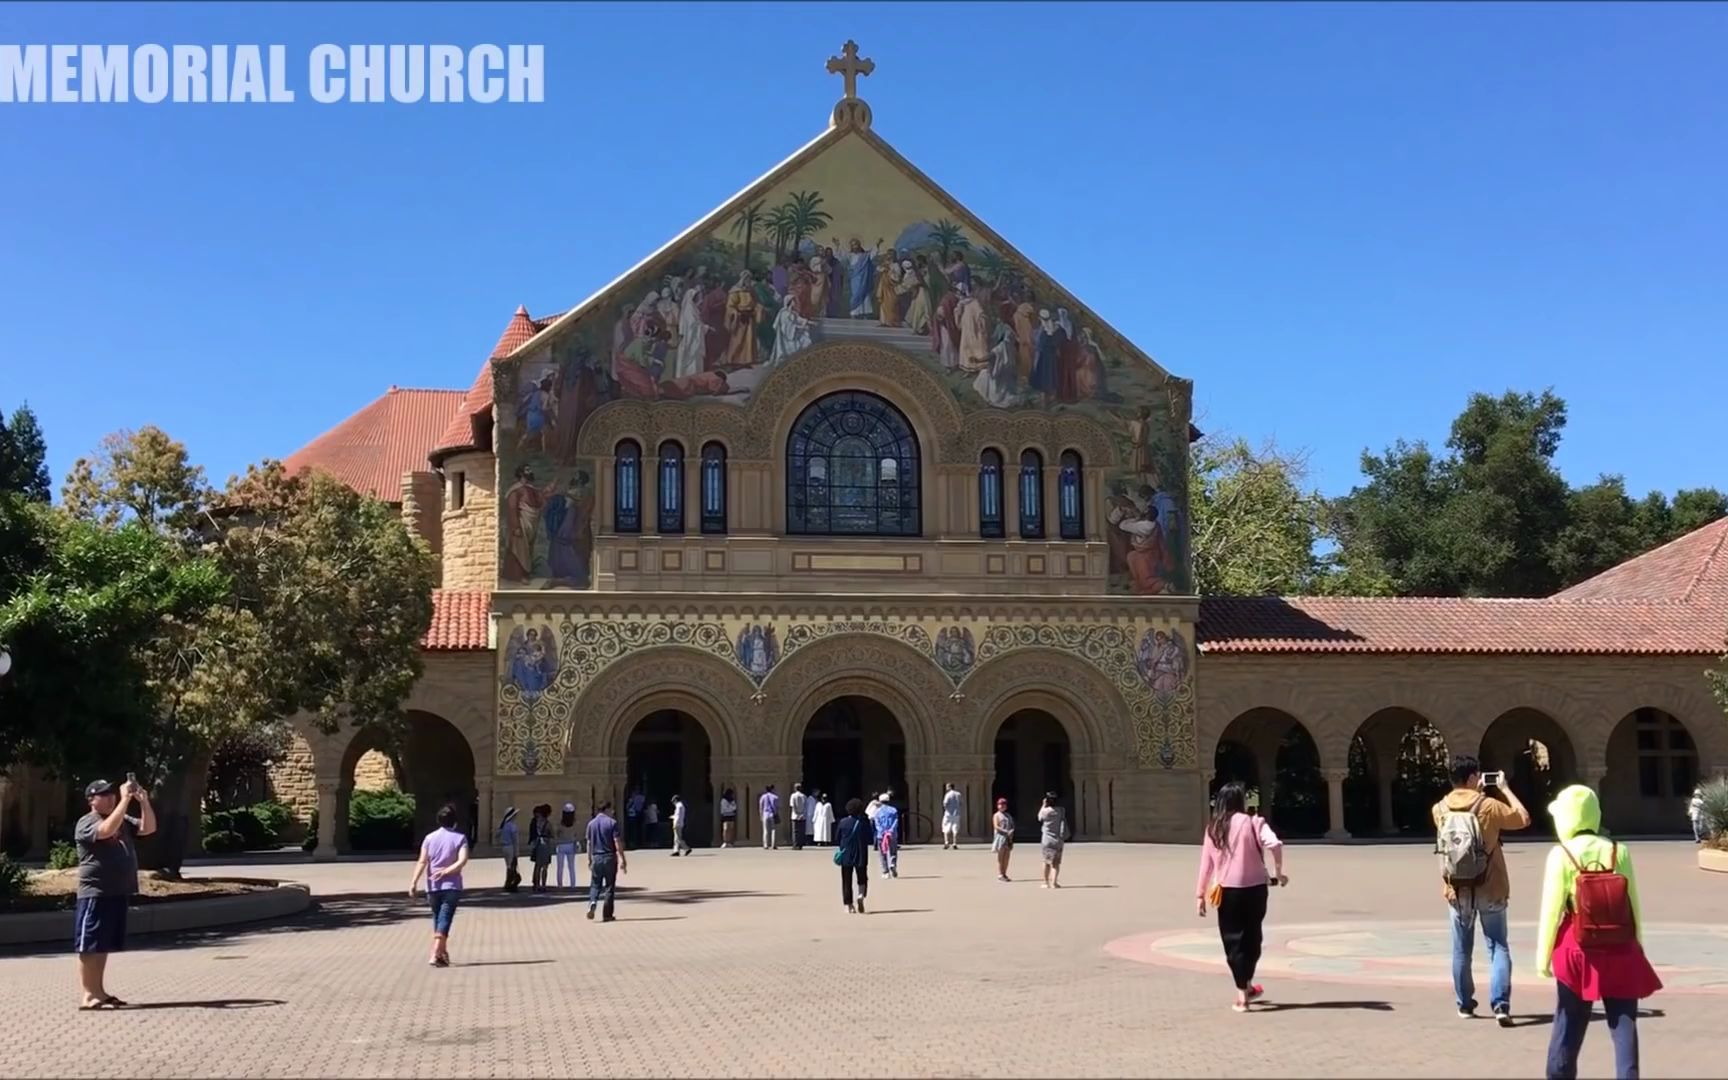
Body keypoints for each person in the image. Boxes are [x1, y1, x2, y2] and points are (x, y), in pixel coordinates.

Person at [1537, 784, 1661, 1079]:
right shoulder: (1619, 850)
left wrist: (1543, 959)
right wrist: (1638, 945)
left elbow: (1551, 911)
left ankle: (1559, 1074)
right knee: (1624, 1023)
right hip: (1620, 946)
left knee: (1569, 1021)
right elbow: (1633, 905)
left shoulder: (1561, 855)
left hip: (1577, 950)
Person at [1432, 754, 1531, 1025]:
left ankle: (1464, 1004)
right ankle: (1501, 1005)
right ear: (1474, 777)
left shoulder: (1439, 809)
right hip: (1491, 885)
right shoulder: (1489, 805)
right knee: (1497, 944)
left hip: (1457, 888)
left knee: (1461, 949)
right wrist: (1505, 789)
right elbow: (1523, 818)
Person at [1195, 782, 1286, 1013]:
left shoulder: (1213, 828)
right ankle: (1247, 986)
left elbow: (1206, 864)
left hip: (1227, 891)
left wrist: (1200, 895)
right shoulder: (1255, 822)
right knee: (1252, 938)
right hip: (1256, 889)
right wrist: (1278, 872)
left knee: (1233, 942)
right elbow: (1275, 844)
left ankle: (1242, 996)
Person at [73, 777, 155, 1009]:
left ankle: (99, 992)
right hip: (95, 893)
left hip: (117, 892)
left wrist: (144, 802)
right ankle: (89, 994)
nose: (110, 798)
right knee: (89, 945)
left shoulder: (122, 819)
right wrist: (126, 799)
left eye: (112, 794)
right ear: (91, 800)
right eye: (104, 795)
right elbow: (106, 831)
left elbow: (148, 828)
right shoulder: (86, 822)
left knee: (103, 944)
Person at [408, 804, 470, 967]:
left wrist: (414, 881)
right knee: (445, 918)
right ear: (455, 822)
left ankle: (442, 953)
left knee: (438, 918)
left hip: (432, 886)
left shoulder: (429, 838)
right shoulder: (460, 838)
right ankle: (435, 952)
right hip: (452, 885)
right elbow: (462, 861)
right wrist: (447, 871)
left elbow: (422, 861)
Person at [586, 800, 627, 922]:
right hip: (609, 856)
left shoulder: (591, 824)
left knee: (595, 884)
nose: (613, 811)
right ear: (607, 809)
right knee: (609, 886)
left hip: (596, 857)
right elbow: (616, 841)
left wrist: (589, 859)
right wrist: (622, 858)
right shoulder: (612, 823)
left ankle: (592, 901)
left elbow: (588, 843)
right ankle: (607, 914)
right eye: (611, 809)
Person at [835, 798, 875, 914]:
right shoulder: (864, 823)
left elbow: (837, 838)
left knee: (846, 880)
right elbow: (869, 837)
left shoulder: (843, 822)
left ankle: (849, 905)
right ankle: (861, 894)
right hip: (861, 854)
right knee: (862, 877)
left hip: (846, 854)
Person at [1038, 792, 1068, 888]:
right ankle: (1054, 882)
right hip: (1058, 839)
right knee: (1056, 863)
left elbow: (1039, 817)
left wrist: (1043, 805)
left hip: (1047, 840)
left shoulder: (1045, 811)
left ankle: (1046, 882)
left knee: (1046, 861)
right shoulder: (1061, 810)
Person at [554, 802, 581, 890]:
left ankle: (560, 885)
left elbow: (557, 834)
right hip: (570, 845)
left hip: (561, 845)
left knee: (560, 867)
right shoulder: (576, 823)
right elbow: (576, 835)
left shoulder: (560, 823)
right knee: (571, 867)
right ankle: (573, 885)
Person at [874, 791, 900, 879]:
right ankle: (893, 863)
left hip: (881, 835)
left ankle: (885, 871)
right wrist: (891, 830)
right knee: (893, 851)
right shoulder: (893, 810)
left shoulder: (877, 811)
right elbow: (896, 821)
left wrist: (882, 831)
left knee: (882, 853)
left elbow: (877, 824)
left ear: (880, 801)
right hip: (892, 834)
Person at [528, 804, 553, 892]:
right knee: (545, 867)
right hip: (545, 844)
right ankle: (543, 885)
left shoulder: (535, 822)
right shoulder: (547, 823)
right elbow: (551, 834)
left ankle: (536, 884)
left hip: (537, 844)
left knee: (537, 866)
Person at [991, 797, 1015, 882]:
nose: (1002, 806)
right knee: (1001, 857)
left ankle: (1004, 873)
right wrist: (1006, 831)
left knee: (1007, 857)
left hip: (1008, 838)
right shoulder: (996, 815)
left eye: (1003, 804)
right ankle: (1000, 874)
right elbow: (996, 826)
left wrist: (1011, 832)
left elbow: (1012, 825)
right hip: (1000, 838)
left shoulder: (1008, 816)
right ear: (997, 806)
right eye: (1000, 804)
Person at [498, 806, 521, 893]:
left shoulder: (504, 826)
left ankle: (508, 882)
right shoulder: (512, 826)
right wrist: (516, 852)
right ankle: (511, 883)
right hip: (510, 847)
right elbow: (515, 840)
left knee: (508, 866)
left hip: (504, 847)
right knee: (512, 865)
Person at [941, 783, 963, 850]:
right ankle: (954, 843)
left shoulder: (948, 794)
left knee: (946, 828)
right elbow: (961, 803)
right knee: (955, 828)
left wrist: (947, 809)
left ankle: (946, 843)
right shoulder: (958, 794)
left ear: (949, 787)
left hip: (948, 814)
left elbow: (945, 803)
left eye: (947, 787)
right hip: (956, 814)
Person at [759, 785, 780, 851]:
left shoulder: (763, 797)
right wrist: (776, 813)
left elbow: (760, 807)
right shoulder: (775, 797)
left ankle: (765, 845)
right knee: (773, 830)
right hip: (772, 814)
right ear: (772, 790)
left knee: (765, 830)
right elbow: (776, 807)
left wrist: (761, 815)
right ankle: (773, 844)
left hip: (765, 814)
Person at [789, 784, 808, 851]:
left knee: (795, 831)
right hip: (802, 816)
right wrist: (802, 814)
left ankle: (795, 845)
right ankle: (800, 845)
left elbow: (793, 806)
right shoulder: (804, 796)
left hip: (795, 816)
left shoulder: (793, 796)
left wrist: (797, 814)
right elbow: (806, 807)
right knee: (801, 831)